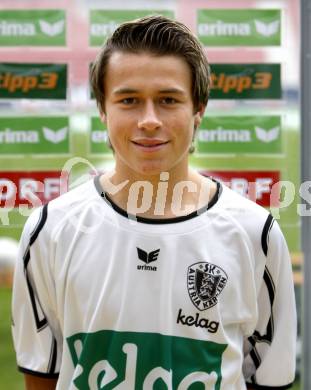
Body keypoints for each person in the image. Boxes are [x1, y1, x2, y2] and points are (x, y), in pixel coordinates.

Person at [12, 15, 296, 390]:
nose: (149, 120)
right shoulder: (50, 230)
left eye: (167, 100)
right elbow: (42, 376)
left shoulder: (255, 234)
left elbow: (270, 380)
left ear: (199, 110)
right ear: (102, 109)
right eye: (129, 100)